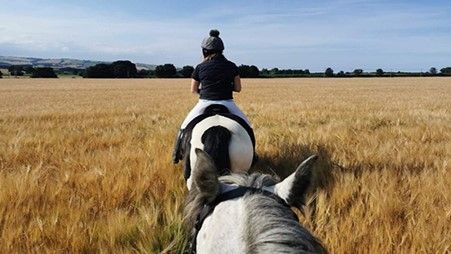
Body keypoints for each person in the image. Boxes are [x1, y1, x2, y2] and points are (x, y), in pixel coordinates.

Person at [172, 29, 252, 164]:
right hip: (228, 103)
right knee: (247, 127)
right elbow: (238, 88)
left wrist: (206, 91)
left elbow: (193, 89)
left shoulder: (199, 67)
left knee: (184, 126)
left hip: (204, 103)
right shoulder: (232, 66)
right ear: (222, 50)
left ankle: (176, 153)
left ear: (204, 51)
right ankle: (252, 154)